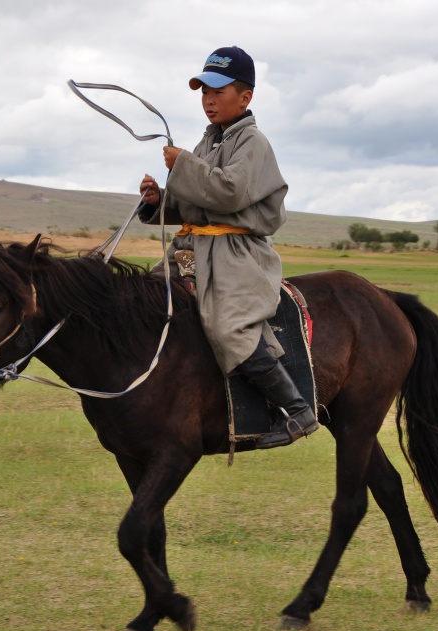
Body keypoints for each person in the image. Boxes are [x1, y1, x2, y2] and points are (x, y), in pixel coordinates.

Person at [138, 46, 318, 449]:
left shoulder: (253, 142)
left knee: (228, 325)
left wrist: (182, 164)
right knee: (145, 302)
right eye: (204, 91)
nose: (208, 99)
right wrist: (158, 201)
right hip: (194, 250)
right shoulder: (209, 142)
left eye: (218, 91)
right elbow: (196, 204)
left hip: (237, 256)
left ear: (246, 97)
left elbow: (230, 193)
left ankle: (298, 410)